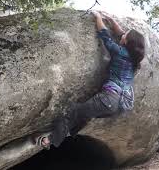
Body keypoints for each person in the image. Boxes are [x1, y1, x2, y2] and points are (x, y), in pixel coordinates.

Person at [32, 11, 146, 149]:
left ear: (126, 42)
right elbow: (122, 33)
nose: (123, 34)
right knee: (85, 115)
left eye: (125, 35)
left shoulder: (119, 52)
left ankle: (49, 140)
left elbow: (105, 36)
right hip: (120, 106)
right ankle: (68, 133)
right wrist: (111, 19)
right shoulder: (134, 59)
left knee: (71, 111)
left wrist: (98, 17)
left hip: (109, 99)